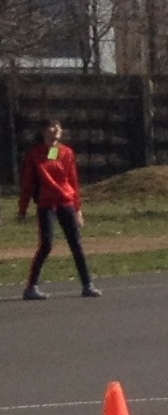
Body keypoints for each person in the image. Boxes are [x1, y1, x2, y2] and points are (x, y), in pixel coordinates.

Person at [18, 119, 97, 300]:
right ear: (43, 132)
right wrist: (23, 209)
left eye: (57, 127)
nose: (54, 130)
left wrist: (77, 208)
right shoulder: (35, 154)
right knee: (46, 244)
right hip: (46, 204)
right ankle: (31, 287)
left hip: (65, 202)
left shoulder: (66, 153)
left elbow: (73, 181)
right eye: (50, 127)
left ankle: (87, 284)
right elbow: (28, 184)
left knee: (76, 243)